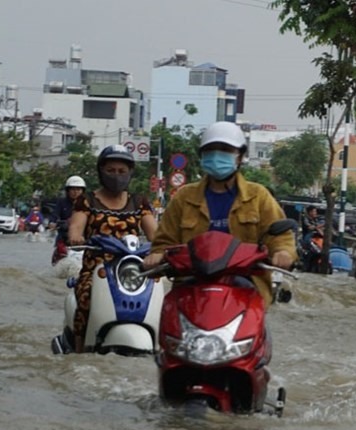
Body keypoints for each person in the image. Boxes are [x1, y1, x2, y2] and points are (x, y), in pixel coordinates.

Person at [142, 121, 296, 303]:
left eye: (225, 150)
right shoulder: (184, 197)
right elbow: (164, 240)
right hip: (190, 290)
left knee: (260, 331)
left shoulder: (258, 196)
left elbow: (279, 238)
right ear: (202, 156)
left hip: (246, 291)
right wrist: (157, 255)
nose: (216, 155)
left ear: (240, 157)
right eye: (210, 150)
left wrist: (283, 253)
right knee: (168, 326)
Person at [62, 145, 158, 353]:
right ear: (101, 172)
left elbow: (157, 235)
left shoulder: (139, 202)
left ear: (130, 173)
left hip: (132, 270)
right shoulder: (87, 200)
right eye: (111, 171)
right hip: (97, 269)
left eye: (122, 171)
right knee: (86, 297)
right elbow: (76, 226)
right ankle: (79, 351)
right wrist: (76, 237)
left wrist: (163, 249)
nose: (117, 176)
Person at [51, 175, 87, 265]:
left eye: (78, 190)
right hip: (64, 236)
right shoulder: (62, 202)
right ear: (68, 191)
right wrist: (52, 223)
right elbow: (55, 215)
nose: (75, 192)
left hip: (84, 238)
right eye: (73, 189)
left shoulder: (87, 204)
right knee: (60, 253)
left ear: (82, 191)